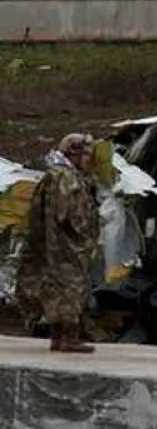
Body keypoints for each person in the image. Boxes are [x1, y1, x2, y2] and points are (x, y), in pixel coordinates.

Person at [15, 133, 101, 354]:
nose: (88, 160)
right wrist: (84, 235)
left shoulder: (53, 175)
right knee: (71, 289)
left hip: (52, 244)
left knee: (56, 289)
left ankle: (58, 337)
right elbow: (69, 213)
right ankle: (69, 338)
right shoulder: (66, 177)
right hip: (66, 245)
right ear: (75, 153)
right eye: (85, 154)